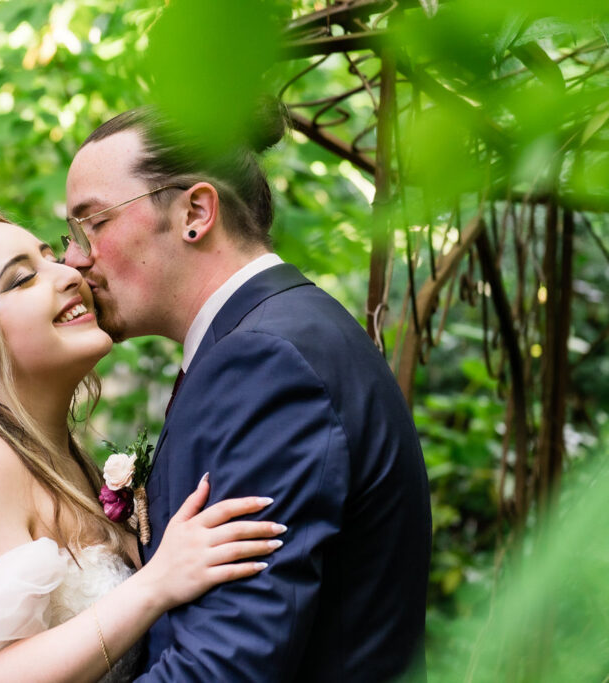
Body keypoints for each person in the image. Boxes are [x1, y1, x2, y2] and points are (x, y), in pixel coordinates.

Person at [62, 108, 432, 681]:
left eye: (94, 224)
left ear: (195, 212)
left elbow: (223, 664)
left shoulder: (264, 361)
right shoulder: (273, 335)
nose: (75, 259)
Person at [0, 210, 287, 682]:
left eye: (51, 257)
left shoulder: (56, 459)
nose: (70, 273)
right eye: (23, 278)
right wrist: (157, 584)